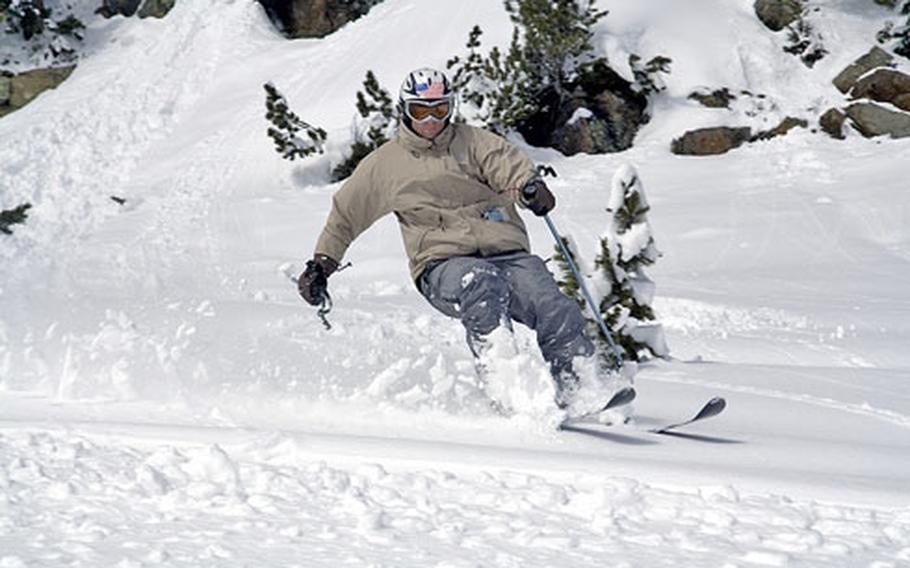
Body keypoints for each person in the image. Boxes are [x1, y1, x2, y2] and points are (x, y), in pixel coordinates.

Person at [298, 67, 611, 417]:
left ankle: (581, 389)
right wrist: (322, 263)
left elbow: (507, 165)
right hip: (442, 264)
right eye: (420, 111)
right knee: (480, 283)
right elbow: (346, 214)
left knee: (552, 303)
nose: (431, 120)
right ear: (404, 111)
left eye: (440, 110)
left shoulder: (474, 142)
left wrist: (530, 187)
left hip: (506, 253)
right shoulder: (384, 165)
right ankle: (506, 391)